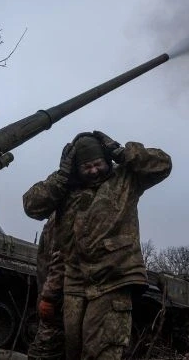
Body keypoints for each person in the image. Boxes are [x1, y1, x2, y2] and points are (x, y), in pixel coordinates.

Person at [23, 131, 172, 360]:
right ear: (76, 169)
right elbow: (32, 205)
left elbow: (163, 164)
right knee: (72, 351)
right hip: (74, 285)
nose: (93, 171)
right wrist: (62, 176)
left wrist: (123, 153)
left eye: (98, 164)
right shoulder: (66, 189)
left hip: (113, 279)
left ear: (107, 160)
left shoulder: (125, 179)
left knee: (102, 352)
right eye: (86, 167)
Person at [27, 213, 65, 360]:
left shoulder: (62, 217)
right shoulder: (56, 217)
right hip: (54, 301)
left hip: (57, 306)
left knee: (41, 353)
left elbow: (61, 259)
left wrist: (49, 297)